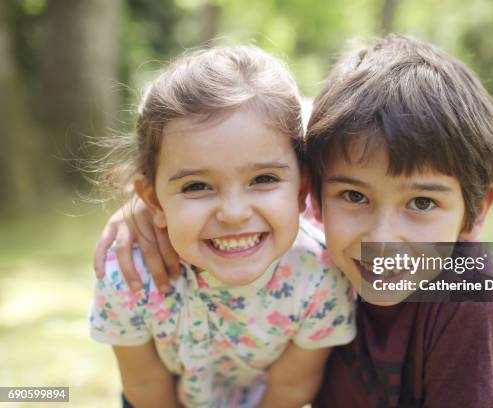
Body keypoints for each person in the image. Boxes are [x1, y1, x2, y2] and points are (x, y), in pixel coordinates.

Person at [95, 35, 493, 407]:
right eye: (354, 196)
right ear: (313, 196)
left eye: (423, 204)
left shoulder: (471, 307)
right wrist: (146, 211)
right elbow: (244, 147)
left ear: (477, 210)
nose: (383, 238)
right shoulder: (293, 231)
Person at [89, 45, 355, 408]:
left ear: (302, 190)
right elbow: (146, 386)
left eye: (262, 179)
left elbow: (291, 387)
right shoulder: (128, 275)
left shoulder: (321, 276)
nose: (233, 213)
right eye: (197, 186)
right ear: (153, 202)